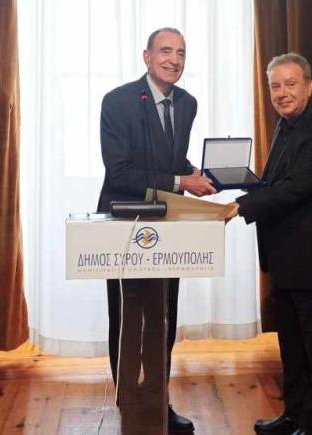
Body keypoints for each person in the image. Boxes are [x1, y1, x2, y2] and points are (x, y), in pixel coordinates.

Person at [97, 27, 216, 432]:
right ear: (147, 56)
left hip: (168, 226)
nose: (174, 60)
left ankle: (158, 403)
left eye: (181, 52)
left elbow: (172, 160)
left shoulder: (187, 103)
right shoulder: (117, 101)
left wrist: (202, 175)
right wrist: (183, 181)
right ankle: (131, 405)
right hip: (125, 225)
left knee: (164, 315)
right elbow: (120, 173)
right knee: (129, 319)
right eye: (165, 51)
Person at [225, 53, 312, 435]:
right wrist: (237, 181)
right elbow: (276, 183)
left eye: (290, 84)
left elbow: (296, 188)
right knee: (292, 347)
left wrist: (241, 205)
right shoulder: (285, 124)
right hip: (285, 258)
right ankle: (293, 415)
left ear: (309, 86)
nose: (282, 93)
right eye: (275, 86)